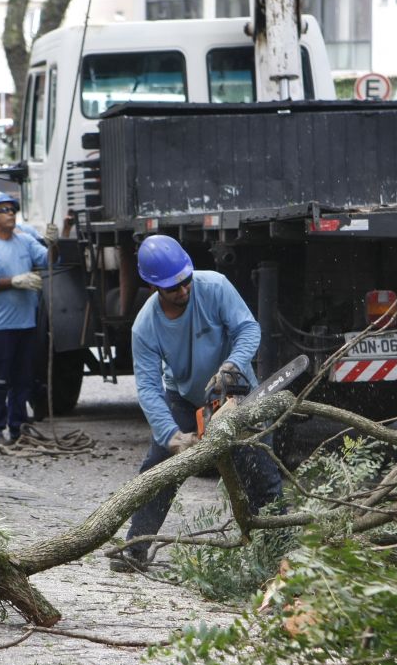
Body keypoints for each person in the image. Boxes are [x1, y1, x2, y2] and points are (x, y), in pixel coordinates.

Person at [113, 235, 282, 572]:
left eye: (186, 282)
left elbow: (248, 329)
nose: (184, 291)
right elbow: (147, 387)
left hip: (234, 387)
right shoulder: (145, 327)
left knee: (259, 466)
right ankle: (135, 546)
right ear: (154, 287)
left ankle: (279, 550)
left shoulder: (215, 286)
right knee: (158, 469)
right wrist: (171, 435)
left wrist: (231, 365)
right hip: (185, 395)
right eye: (174, 288)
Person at [0, 191, 55, 448]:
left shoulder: (25, 241)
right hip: (0, 327)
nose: (11, 214)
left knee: (22, 380)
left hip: (26, 323)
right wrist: (15, 281)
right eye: (4, 210)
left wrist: (54, 243)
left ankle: (19, 430)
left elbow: (49, 260)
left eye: (12, 210)